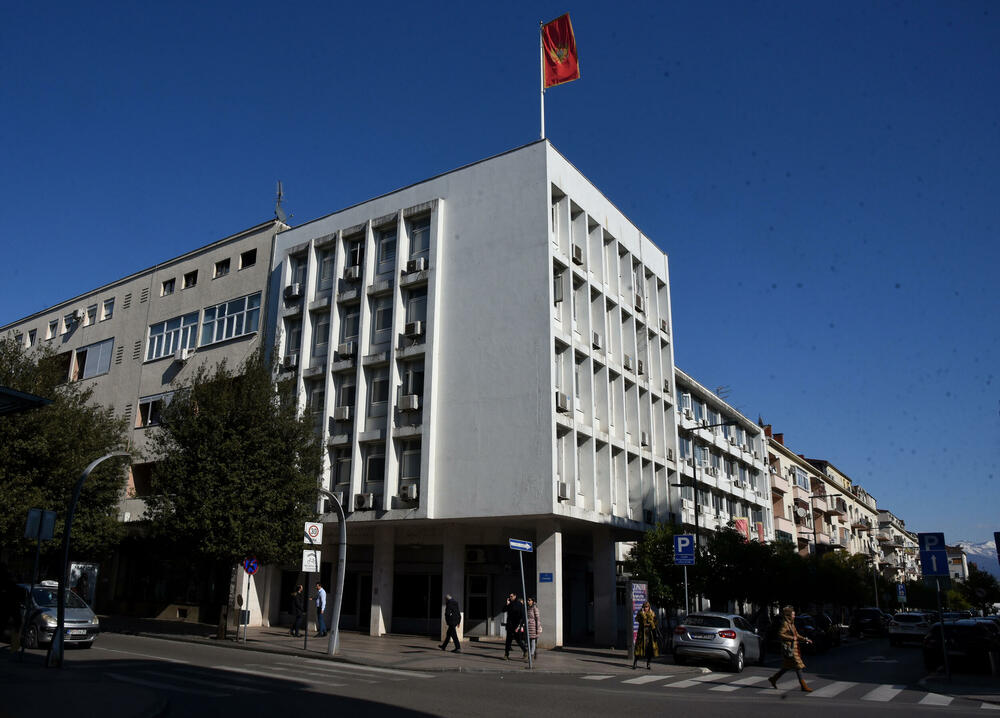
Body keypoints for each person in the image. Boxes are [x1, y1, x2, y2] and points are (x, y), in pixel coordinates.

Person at [768, 606, 813, 692]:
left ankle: (773, 679)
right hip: (789, 649)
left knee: (787, 667)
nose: (794, 616)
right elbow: (780, 634)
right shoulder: (785, 624)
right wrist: (792, 638)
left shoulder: (792, 624)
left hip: (793, 648)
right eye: (793, 615)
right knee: (798, 665)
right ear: (788, 615)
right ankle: (803, 686)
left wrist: (805, 639)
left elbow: (797, 635)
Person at [632, 601, 659, 669]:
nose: (645, 608)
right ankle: (635, 663)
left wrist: (652, 623)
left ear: (649, 607)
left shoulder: (652, 613)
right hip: (642, 634)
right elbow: (636, 619)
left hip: (650, 633)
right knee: (638, 648)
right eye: (644, 607)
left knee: (650, 649)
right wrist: (642, 614)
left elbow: (656, 621)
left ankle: (648, 664)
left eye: (647, 607)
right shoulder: (640, 613)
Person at [503, 592, 528, 660]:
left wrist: (520, 625)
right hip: (510, 625)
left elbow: (523, 616)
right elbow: (503, 610)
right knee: (508, 641)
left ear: (515, 596)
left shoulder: (519, 604)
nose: (510, 597)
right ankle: (506, 654)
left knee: (518, 640)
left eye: (511, 596)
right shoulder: (509, 604)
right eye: (509, 596)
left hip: (516, 625)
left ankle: (525, 651)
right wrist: (507, 604)